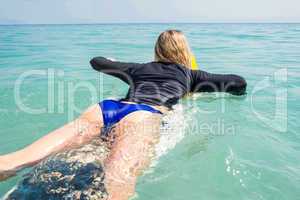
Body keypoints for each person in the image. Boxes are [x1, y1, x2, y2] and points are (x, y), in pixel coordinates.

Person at [0, 30, 247, 200]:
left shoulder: (138, 68)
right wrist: (197, 81)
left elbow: (96, 61)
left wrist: (117, 63)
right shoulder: (192, 75)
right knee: (116, 182)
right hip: (142, 115)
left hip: (106, 108)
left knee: (20, 158)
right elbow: (238, 83)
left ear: (157, 51)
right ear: (184, 51)